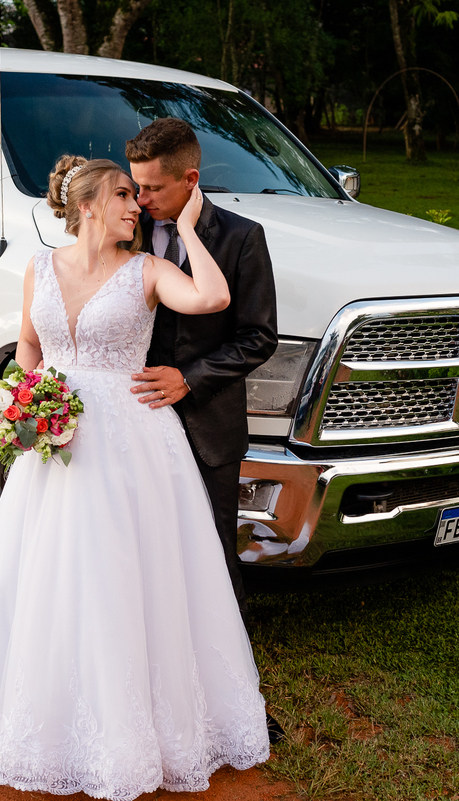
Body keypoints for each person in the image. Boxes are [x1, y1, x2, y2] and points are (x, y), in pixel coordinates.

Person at [0, 155, 270, 799]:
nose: (135, 205)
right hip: (54, 434)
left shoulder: (149, 270)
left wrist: (194, 230)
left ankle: (136, 733)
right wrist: (29, 397)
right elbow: (30, 343)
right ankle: (49, 723)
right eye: (123, 194)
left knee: (126, 571)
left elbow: (214, 297)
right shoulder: (40, 267)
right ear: (85, 205)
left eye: (136, 195)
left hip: (132, 437)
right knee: (49, 571)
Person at [125, 118, 279, 612]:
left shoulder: (241, 237)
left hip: (210, 425)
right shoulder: (127, 230)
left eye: (152, 188)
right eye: (135, 186)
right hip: (135, 415)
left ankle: (225, 655)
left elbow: (259, 338)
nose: (140, 199)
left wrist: (189, 379)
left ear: (190, 180)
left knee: (212, 545)